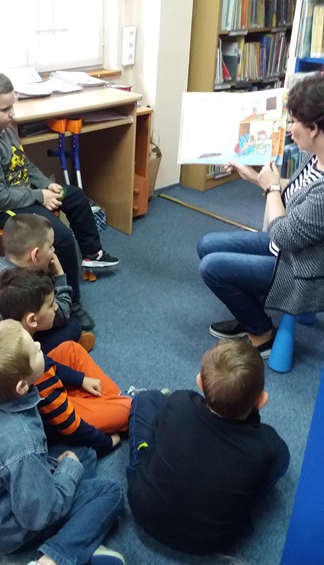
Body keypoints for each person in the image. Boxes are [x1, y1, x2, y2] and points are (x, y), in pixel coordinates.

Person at [0, 70, 120, 331]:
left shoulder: (3, 127)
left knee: (74, 195)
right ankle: (72, 303)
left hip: (23, 195)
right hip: (1, 209)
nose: (12, 114)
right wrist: (39, 196)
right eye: (5, 109)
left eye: (13, 106)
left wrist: (45, 184)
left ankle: (91, 254)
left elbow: (24, 163)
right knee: (61, 238)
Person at [0, 319, 125, 564]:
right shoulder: (22, 444)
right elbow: (39, 515)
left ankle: (79, 534)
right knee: (110, 492)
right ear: (21, 386)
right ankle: (53, 557)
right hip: (5, 527)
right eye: (34, 351)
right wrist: (68, 471)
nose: (38, 345)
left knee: (86, 453)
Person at [198, 74, 324, 359]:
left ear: (314, 128)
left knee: (211, 267)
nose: (289, 129)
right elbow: (292, 200)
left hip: (300, 268)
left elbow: (285, 234)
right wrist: (255, 177)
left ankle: (262, 332)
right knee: (207, 245)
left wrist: (271, 187)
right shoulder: (314, 156)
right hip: (287, 248)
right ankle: (250, 313)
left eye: (293, 121)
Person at [126, 339, 290, 555]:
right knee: (282, 456)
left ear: (199, 382)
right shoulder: (267, 443)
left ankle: (144, 454)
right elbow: (258, 437)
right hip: (209, 541)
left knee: (147, 398)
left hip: (142, 509)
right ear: (261, 401)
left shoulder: (180, 402)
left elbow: (158, 433)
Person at [0, 268, 131, 456]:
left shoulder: (16, 337)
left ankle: (117, 399)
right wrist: (106, 443)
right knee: (129, 410)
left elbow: (49, 363)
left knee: (70, 349)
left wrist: (81, 379)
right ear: (32, 319)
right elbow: (70, 425)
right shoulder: (32, 367)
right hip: (56, 419)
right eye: (51, 304)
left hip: (50, 396)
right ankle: (125, 404)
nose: (56, 307)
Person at [0, 213, 94, 356]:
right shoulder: (27, 285)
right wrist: (59, 274)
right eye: (50, 246)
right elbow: (63, 314)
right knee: (73, 326)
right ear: (35, 255)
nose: (53, 251)